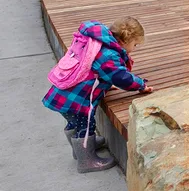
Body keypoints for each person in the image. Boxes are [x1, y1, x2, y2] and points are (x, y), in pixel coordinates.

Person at [42, 17, 152, 173]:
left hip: (65, 96)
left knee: (75, 123)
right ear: (124, 40)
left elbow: (94, 71)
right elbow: (120, 77)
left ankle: (80, 150)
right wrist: (140, 85)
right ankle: (87, 161)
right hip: (76, 101)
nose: (134, 48)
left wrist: (106, 85)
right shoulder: (108, 55)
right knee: (86, 127)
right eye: (135, 44)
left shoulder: (96, 42)